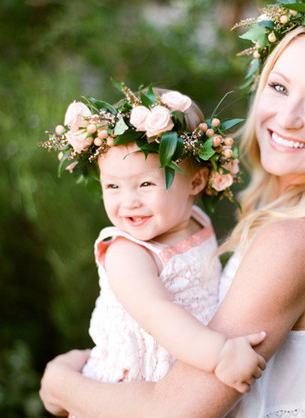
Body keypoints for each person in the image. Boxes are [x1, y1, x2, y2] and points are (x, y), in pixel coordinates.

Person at [40, 1, 305, 416]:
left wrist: (61, 384)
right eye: (279, 87)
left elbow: (174, 412)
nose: (288, 118)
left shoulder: (293, 241)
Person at [39, 84, 267, 395]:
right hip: (129, 388)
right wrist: (221, 355)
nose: (129, 201)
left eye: (146, 183)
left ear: (196, 182)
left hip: (185, 368)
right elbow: (158, 313)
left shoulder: (197, 222)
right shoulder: (127, 253)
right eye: (113, 187)